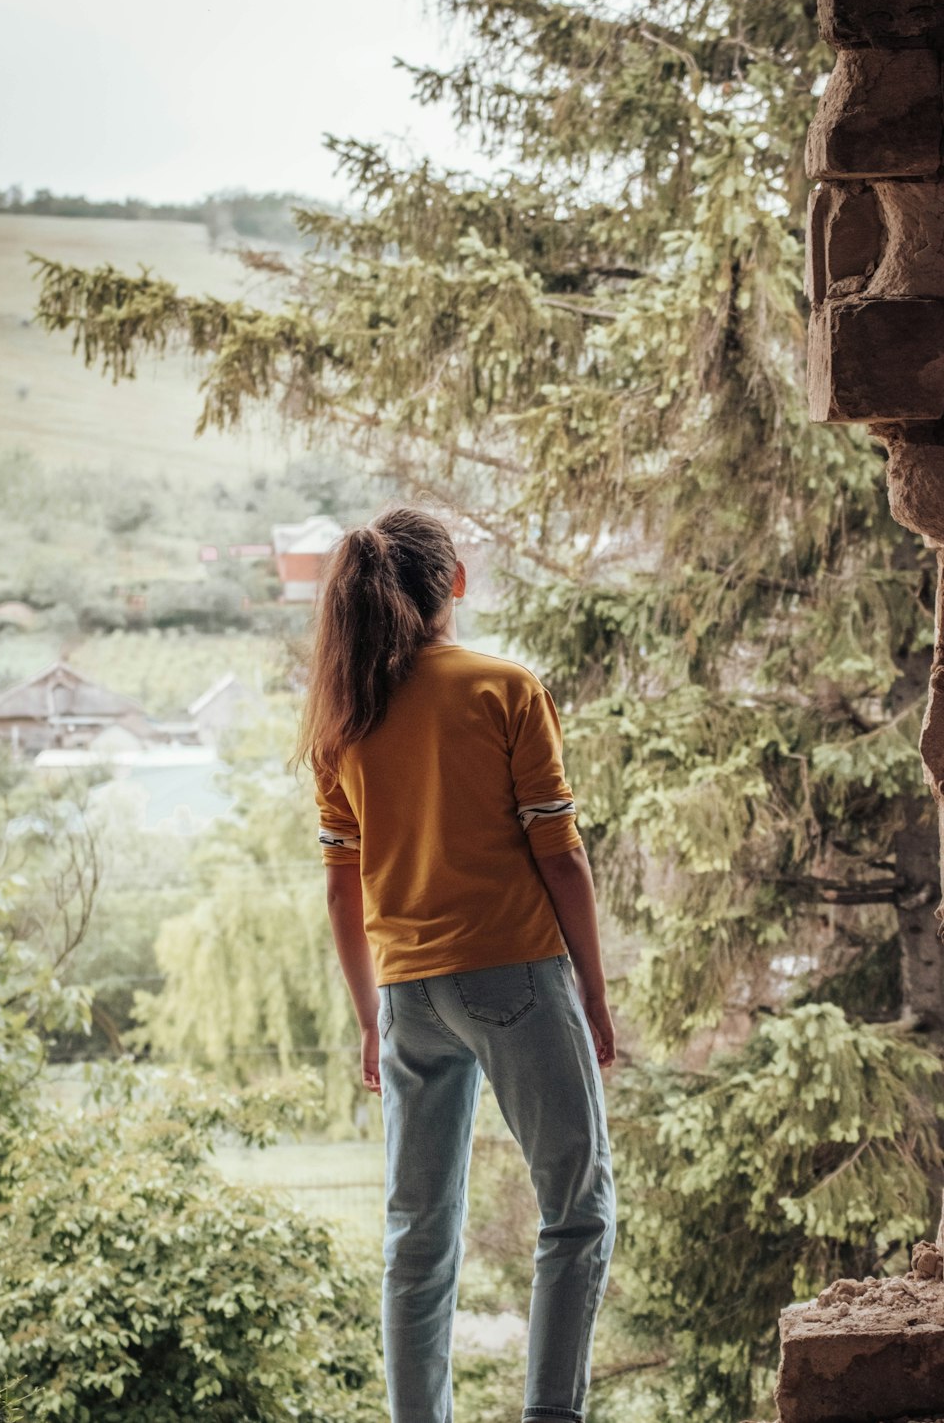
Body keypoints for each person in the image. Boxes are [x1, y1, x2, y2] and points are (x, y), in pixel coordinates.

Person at [298, 504, 616, 1423]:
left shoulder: (344, 718)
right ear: (455, 585)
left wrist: (370, 1016)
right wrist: (592, 994)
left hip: (406, 997)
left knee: (417, 1234)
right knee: (576, 1207)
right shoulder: (503, 689)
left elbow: (340, 889)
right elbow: (561, 856)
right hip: (514, 976)